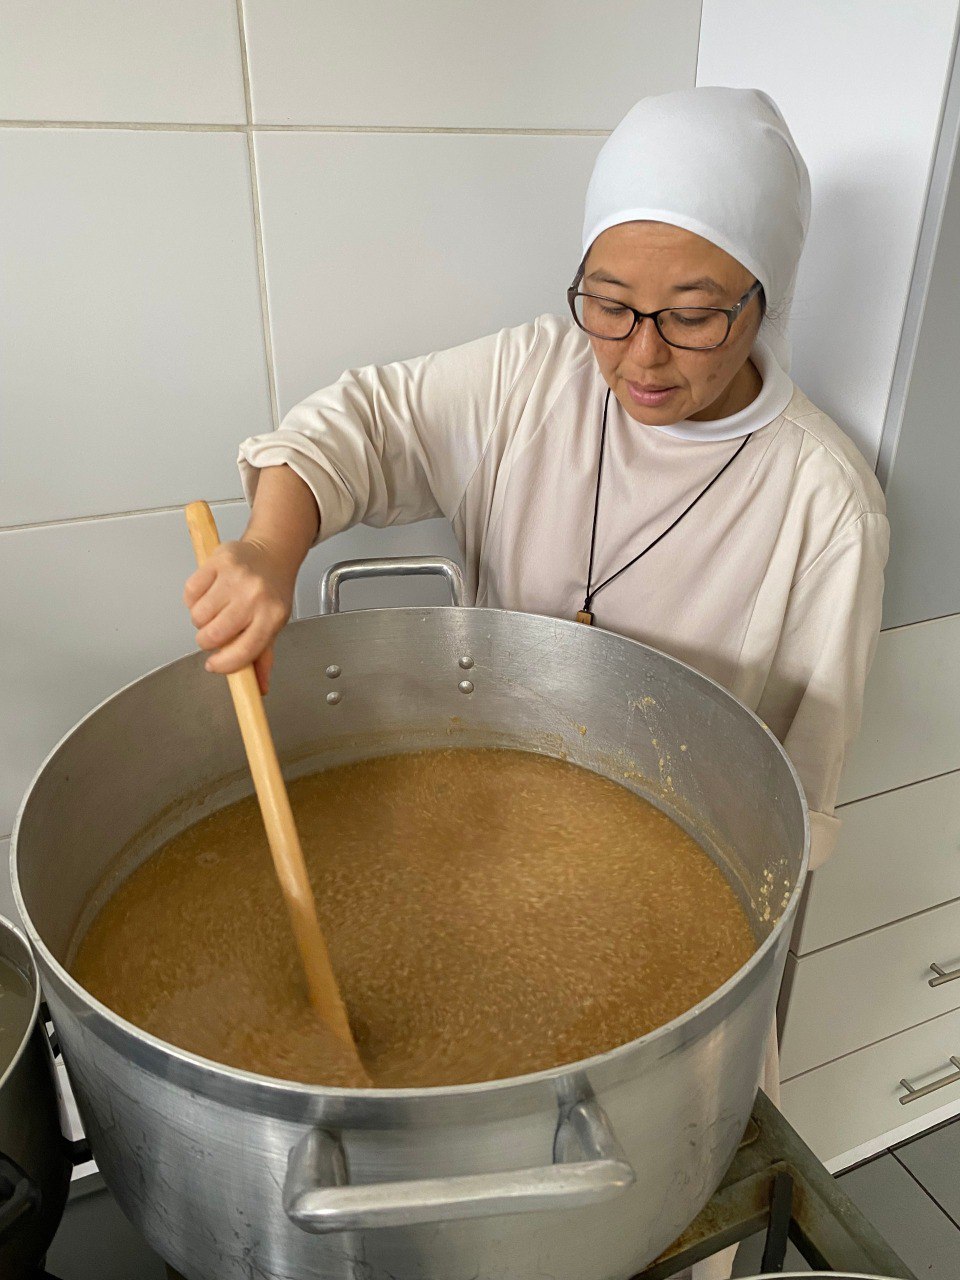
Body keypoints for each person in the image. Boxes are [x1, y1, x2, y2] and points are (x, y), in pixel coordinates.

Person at [184, 86, 888, 1279]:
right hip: (463, 844)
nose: (640, 355)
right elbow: (358, 423)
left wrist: (662, 990)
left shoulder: (826, 506)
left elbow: (789, 825)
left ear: (766, 298)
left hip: (665, 965)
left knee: (639, 1231)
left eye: (695, 316)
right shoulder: (537, 378)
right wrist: (271, 546)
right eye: (609, 306)